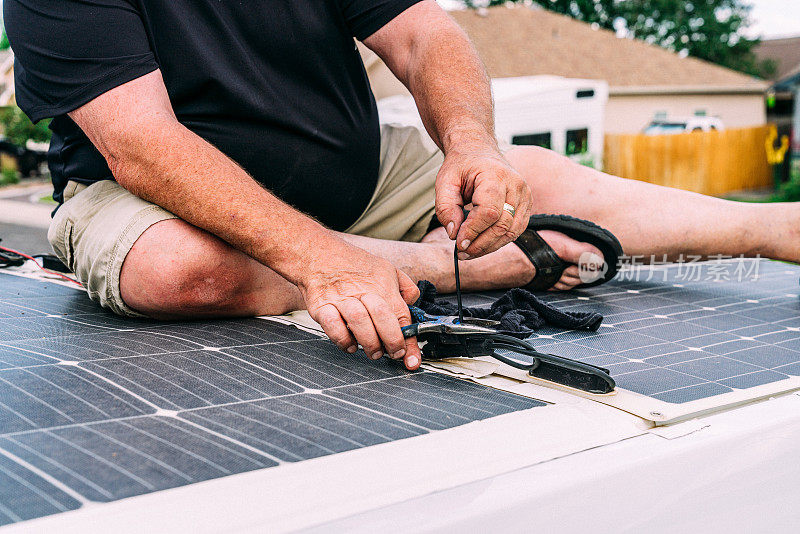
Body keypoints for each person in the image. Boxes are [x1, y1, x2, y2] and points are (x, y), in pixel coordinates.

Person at [5, 0, 798, 372]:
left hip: (361, 175)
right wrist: (325, 263)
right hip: (149, 197)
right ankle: (459, 266)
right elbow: (143, 148)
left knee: (534, 179)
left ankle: (776, 229)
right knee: (177, 271)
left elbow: (426, 35)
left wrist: (474, 146)